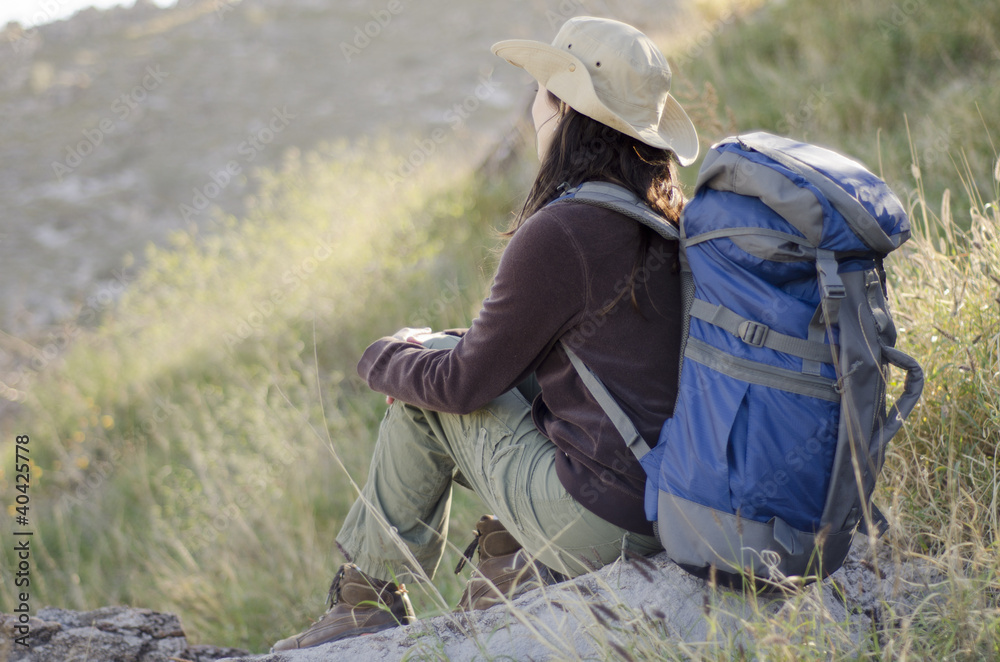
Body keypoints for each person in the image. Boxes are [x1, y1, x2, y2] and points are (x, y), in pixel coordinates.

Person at [272, 15, 700, 652]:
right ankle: (510, 564)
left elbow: (464, 383)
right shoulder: (663, 216)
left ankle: (367, 607)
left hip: (602, 521)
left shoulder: (567, 229)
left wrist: (382, 358)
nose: (531, 105)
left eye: (540, 89)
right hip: (669, 502)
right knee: (445, 369)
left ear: (563, 110)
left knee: (425, 402)